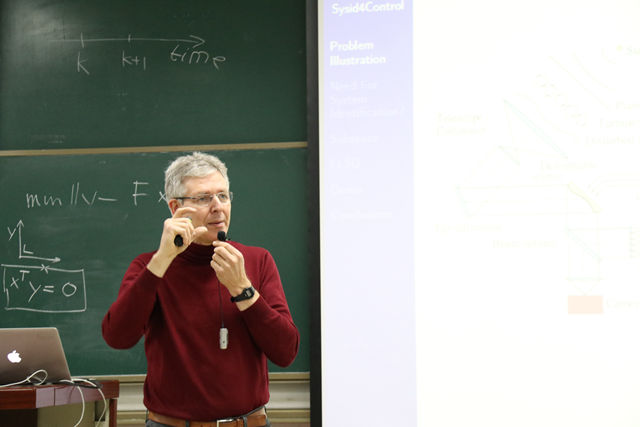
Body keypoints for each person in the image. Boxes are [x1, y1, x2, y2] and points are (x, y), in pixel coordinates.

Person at [102, 152, 299, 427]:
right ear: (175, 208)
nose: (218, 207)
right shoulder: (150, 266)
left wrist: (242, 289)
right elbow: (117, 336)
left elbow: (286, 352)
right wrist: (162, 259)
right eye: (204, 198)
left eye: (223, 196)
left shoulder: (257, 260)